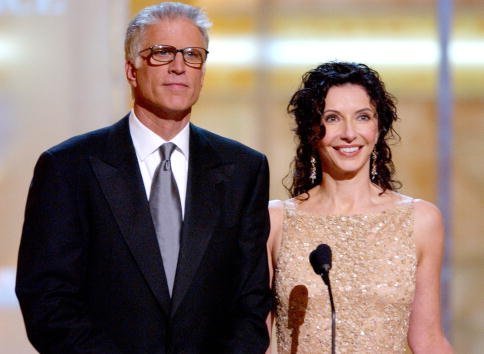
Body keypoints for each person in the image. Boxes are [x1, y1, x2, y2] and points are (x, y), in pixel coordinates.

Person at [16, 2, 271, 353]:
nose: (179, 66)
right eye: (163, 53)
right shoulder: (67, 167)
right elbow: (46, 300)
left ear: (202, 71)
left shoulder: (245, 169)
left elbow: (251, 302)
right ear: (131, 70)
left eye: (192, 54)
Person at [267, 61, 453, 353]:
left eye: (363, 117)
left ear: (379, 127)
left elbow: (428, 338)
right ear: (311, 130)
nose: (349, 133)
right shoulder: (276, 220)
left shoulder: (420, 221)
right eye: (332, 118)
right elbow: (258, 340)